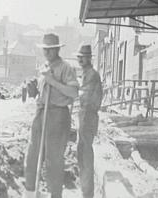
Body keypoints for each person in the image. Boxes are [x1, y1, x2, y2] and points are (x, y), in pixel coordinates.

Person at [24, 33, 79, 198]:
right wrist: (32, 90)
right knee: (32, 156)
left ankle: (55, 195)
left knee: (53, 160)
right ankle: (30, 193)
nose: (47, 52)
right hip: (41, 114)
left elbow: (74, 93)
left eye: (50, 49)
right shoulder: (43, 67)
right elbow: (41, 94)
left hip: (58, 116)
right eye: (44, 49)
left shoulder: (66, 68)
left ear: (57, 49)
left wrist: (52, 80)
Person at [76, 45, 103, 198]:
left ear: (89, 58)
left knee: (85, 154)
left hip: (88, 116)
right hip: (84, 115)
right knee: (81, 153)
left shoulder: (92, 75)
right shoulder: (86, 74)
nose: (80, 60)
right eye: (79, 57)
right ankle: (85, 191)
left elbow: (86, 97)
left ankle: (87, 194)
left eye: (83, 57)